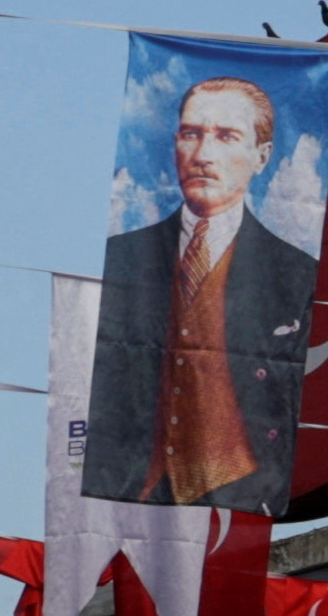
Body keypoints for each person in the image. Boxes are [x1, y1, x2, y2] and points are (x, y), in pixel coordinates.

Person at [84, 77, 316, 509]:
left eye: (227, 137)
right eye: (192, 134)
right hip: (129, 493)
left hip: (241, 496)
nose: (204, 155)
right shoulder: (119, 258)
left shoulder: (298, 274)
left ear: (261, 157)